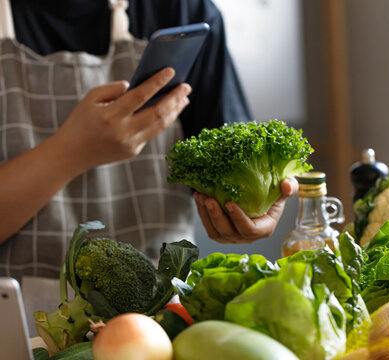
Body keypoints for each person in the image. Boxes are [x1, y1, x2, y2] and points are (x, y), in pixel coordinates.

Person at [0, 0, 297, 334]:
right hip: (11, 332)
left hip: (163, 326)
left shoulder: (183, 10)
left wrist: (254, 206)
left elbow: (235, 158)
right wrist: (71, 152)